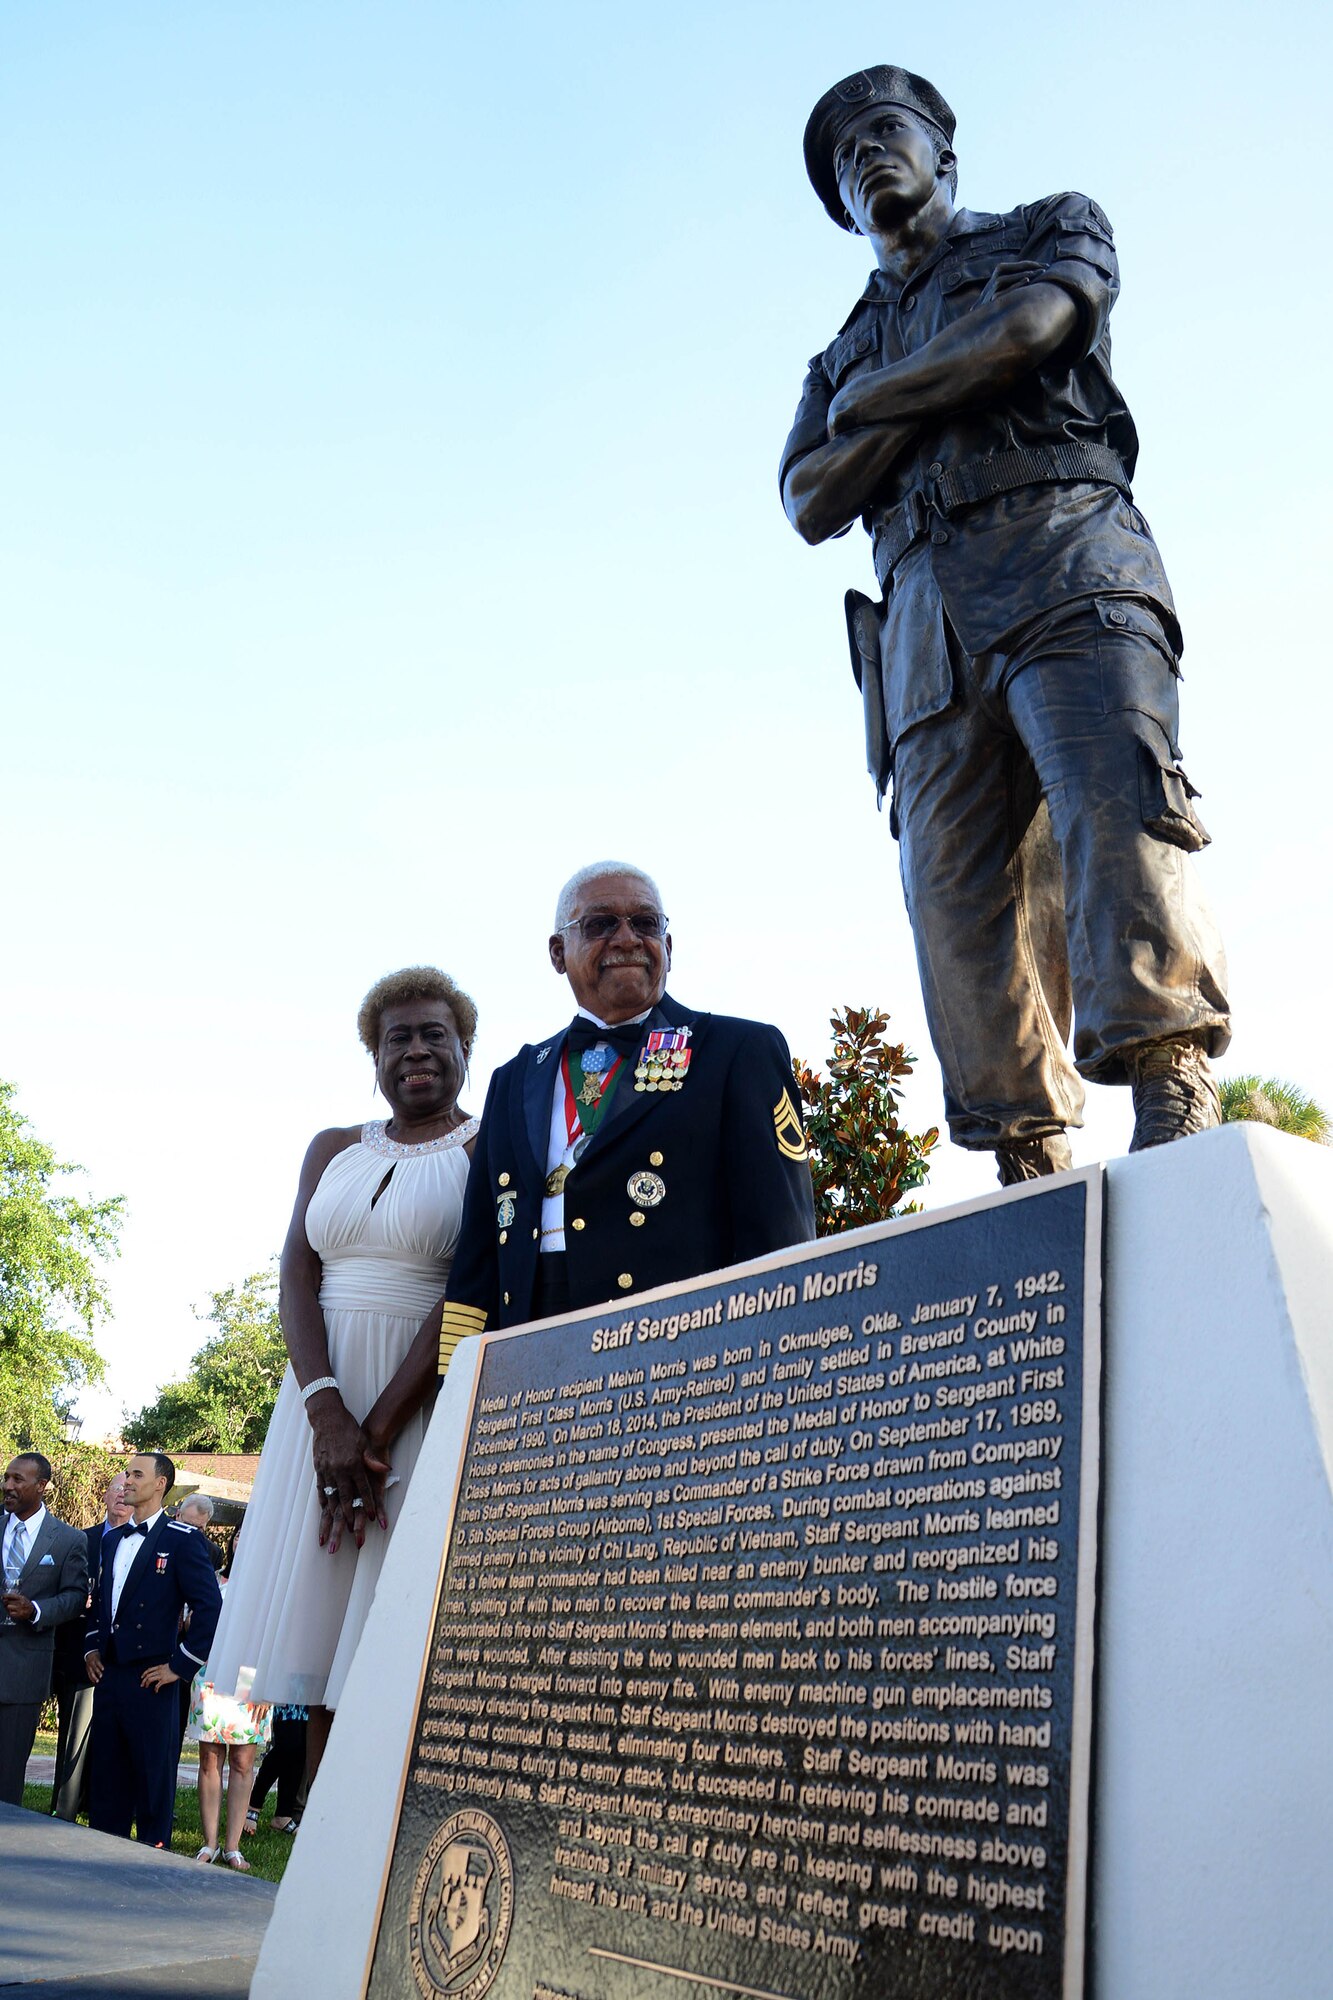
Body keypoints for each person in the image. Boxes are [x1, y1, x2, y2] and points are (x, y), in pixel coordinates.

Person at [781, 66, 1230, 1182]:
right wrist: (923, 381)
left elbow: (1035, 324)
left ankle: (1167, 1055)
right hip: (921, 622)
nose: (867, 156)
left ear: (944, 149)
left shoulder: (1046, 227)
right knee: (952, 889)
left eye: (888, 132)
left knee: (1115, 808)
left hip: (1064, 552)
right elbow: (806, 498)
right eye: (844, 159)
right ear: (841, 205)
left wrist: (872, 405)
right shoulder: (835, 349)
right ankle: (1021, 1136)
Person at [205, 967, 479, 1783]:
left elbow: (473, 1286)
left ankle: (364, 1836)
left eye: (436, 1034)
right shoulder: (332, 1147)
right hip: (315, 1405)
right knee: (322, 1617)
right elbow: (296, 1270)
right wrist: (326, 1413)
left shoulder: (490, 1145)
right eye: (398, 1036)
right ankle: (307, 1836)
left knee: (383, 1623)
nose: (418, 1051)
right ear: (374, 1053)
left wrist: (378, 1427)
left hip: (417, 1399)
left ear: (466, 1047)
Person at [435, 863, 815, 1349]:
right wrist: (458, 1384)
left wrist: (771, 1357)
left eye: (645, 923)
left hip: (677, 1345)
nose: (626, 939)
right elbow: (479, 1258)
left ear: (668, 948)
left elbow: (780, 1237)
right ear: (557, 952)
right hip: (527, 1350)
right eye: (600, 924)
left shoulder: (736, 1051)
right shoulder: (514, 1078)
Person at [84, 1451, 222, 1846]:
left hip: (154, 1681)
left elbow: (210, 1608)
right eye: (126, 1473)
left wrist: (179, 1666)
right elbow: (101, 1604)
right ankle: (99, 1860)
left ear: (160, 1484)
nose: (126, 1480)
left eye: (136, 1474)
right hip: (111, 1677)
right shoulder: (112, 1541)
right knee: (107, 1782)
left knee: (151, 1784)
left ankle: (149, 1866)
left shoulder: (183, 1540)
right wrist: (92, 1649)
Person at [0, 1453, 89, 1807]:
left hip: (24, 1669)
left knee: (7, 1774)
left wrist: (35, 1609)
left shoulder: (68, 1540)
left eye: (18, 1480)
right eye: (7, 1477)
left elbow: (75, 1596)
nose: (8, 1486)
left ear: (42, 1486)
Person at [188, 1529, 271, 1871]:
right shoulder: (212, 1582)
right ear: (233, 1543)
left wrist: (268, 1682)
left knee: (242, 1761)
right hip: (211, 1671)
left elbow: (273, 1636)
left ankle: (233, 1846)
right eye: (240, 1536)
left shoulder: (269, 1588)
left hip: (251, 1675)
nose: (244, 1541)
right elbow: (194, 1623)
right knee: (210, 1759)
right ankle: (209, 1843)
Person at [49, 1471, 130, 1821]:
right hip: (78, 1656)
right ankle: (64, 1809)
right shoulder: (82, 1540)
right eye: (117, 1491)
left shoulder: (139, 1542)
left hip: (123, 1660)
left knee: (113, 1743)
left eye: (129, 1492)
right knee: (74, 1739)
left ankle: (100, 1808)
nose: (122, 1498)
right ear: (106, 1496)